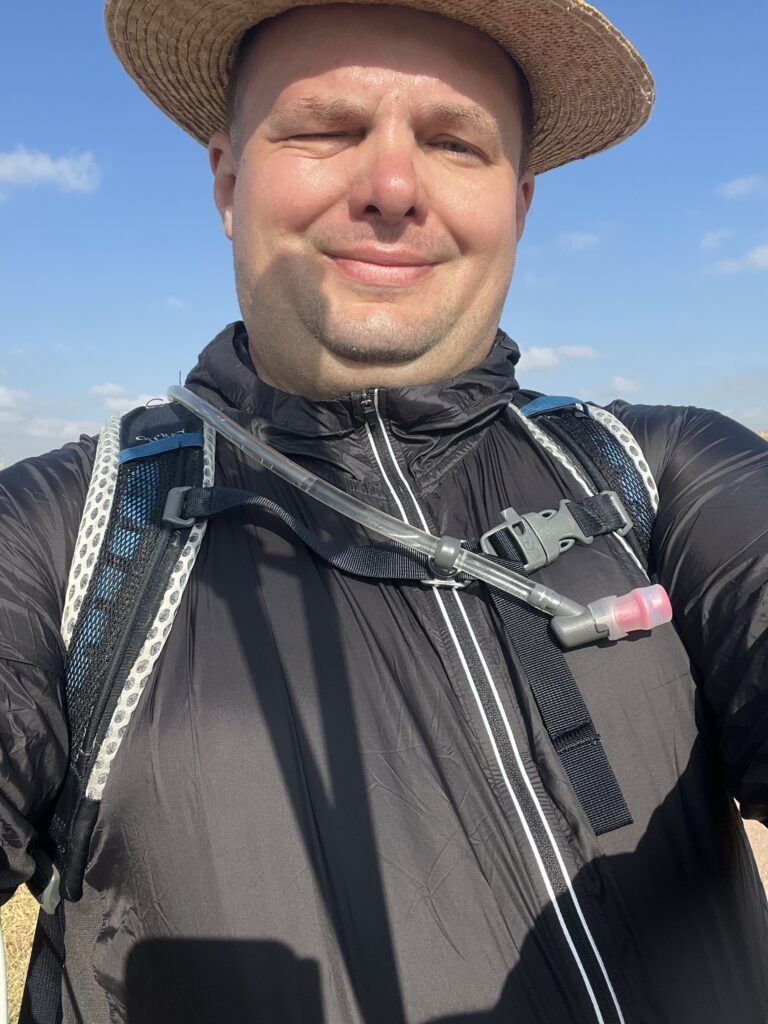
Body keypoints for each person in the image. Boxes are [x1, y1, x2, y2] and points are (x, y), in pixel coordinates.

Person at [1, 0, 767, 1021]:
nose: (394, 188)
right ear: (227, 181)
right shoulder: (70, 538)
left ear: (519, 204)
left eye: (455, 142)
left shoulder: (664, 475)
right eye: (327, 128)